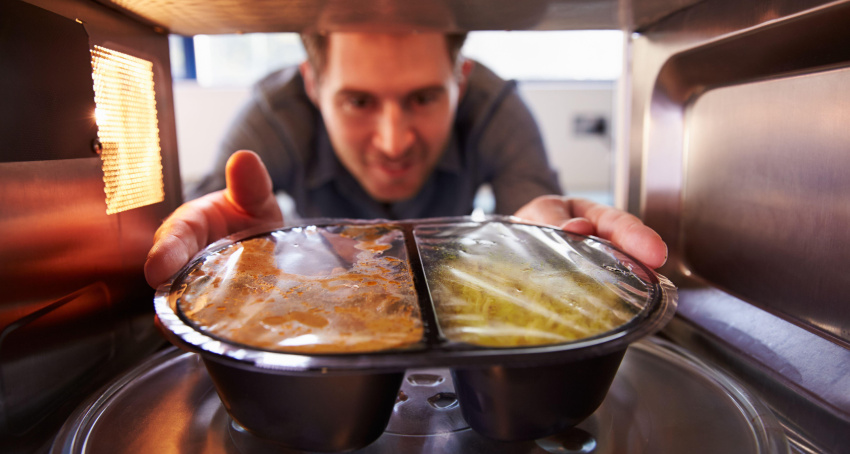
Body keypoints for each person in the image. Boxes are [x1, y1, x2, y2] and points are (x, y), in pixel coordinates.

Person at [144, 30, 667, 288]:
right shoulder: (273, 117)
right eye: (358, 101)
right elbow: (209, 226)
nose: (393, 143)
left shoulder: (494, 107)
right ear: (313, 84)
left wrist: (545, 243)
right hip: (331, 298)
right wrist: (228, 258)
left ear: (459, 82)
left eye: (423, 98)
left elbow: (535, 210)